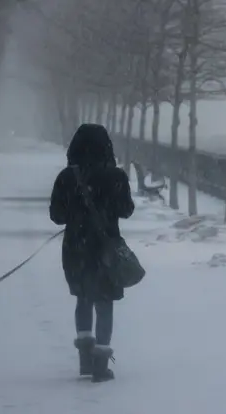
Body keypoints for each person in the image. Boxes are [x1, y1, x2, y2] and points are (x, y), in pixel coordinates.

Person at [48, 124, 135, 383]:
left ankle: (85, 360)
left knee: (83, 298)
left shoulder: (67, 177)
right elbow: (126, 210)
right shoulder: (116, 176)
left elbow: (56, 215)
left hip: (76, 248)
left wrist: (77, 214)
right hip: (105, 248)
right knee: (104, 303)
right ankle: (100, 364)